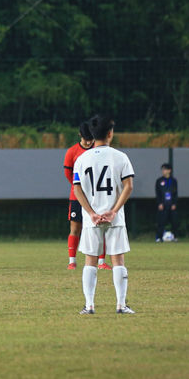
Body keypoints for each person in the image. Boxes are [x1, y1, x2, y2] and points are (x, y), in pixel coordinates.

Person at [72, 115, 136, 315]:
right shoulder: (121, 157)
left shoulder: (81, 159)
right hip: (114, 218)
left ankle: (89, 305)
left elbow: (77, 189)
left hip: (91, 220)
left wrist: (91, 213)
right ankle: (121, 305)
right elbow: (128, 186)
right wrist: (114, 211)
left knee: (90, 261)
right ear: (110, 133)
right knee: (118, 260)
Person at [64, 121, 105, 270]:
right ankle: (72, 262)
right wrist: (79, 189)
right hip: (77, 196)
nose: (88, 142)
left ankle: (101, 262)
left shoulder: (99, 150)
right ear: (80, 135)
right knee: (75, 227)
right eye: (85, 139)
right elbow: (68, 173)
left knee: (100, 226)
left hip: (96, 196)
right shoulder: (72, 152)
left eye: (91, 139)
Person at [155, 163, 178, 241]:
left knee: (174, 221)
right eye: (162, 170)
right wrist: (159, 203)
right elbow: (158, 193)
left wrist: (174, 203)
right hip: (163, 204)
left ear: (169, 170)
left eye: (164, 169)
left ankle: (175, 237)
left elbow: (175, 193)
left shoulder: (173, 181)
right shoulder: (159, 181)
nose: (163, 171)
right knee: (161, 222)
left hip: (171, 204)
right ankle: (159, 237)